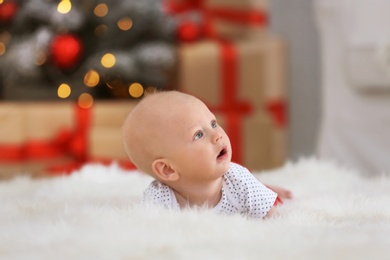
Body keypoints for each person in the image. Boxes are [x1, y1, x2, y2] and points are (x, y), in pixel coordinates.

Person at [123, 90, 291, 218]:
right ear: (168, 169)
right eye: (198, 134)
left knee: (262, 193)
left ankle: (265, 187)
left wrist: (265, 199)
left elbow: (273, 225)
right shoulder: (159, 199)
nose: (217, 135)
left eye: (213, 123)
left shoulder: (239, 182)